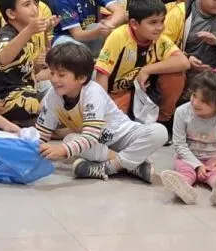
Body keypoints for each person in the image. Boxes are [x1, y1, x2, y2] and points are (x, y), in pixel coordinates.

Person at [36, 43, 166, 182]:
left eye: (61, 75)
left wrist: (61, 151)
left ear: (82, 78)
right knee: (70, 140)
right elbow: (41, 135)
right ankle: (132, 164)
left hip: (123, 136)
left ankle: (108, 168)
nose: (54, 79)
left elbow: (90, 137)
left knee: (159, 132)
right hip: (98, 145)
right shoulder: (52, 96)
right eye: (52, 73)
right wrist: (27, 149)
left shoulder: (92, 92)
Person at [96, 0, 190, 128]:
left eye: (162, 21)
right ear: (134, 24)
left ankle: (162, 121)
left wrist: (147, 70)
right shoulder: (119, 36)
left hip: (140, 93)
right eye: (153, 22)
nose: (160, 27)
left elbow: (183, 62)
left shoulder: (159, 38)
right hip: (115, 94)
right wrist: (102, 108)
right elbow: (102, 74)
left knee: (176, 75)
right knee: (109, 126)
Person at [159, 71, 216, 206]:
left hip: (213, 159)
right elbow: (179, 145)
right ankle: (183, 187)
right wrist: (196, 165)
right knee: (184, 170)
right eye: (194, 95)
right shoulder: (182, 112)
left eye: (204, 101)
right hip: (187, 157)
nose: (195, 103)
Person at [0, 0, 54, 125]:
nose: (34, 8)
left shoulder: (27, 35)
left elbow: (26, 72)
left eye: (35, 3)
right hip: (5, 98)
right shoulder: (5, 36)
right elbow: (3, 58)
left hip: (28, 91)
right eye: (27, 4)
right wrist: (29, 30)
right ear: (11, 13)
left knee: (62, 90)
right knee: (49, 102)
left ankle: (39, 124)